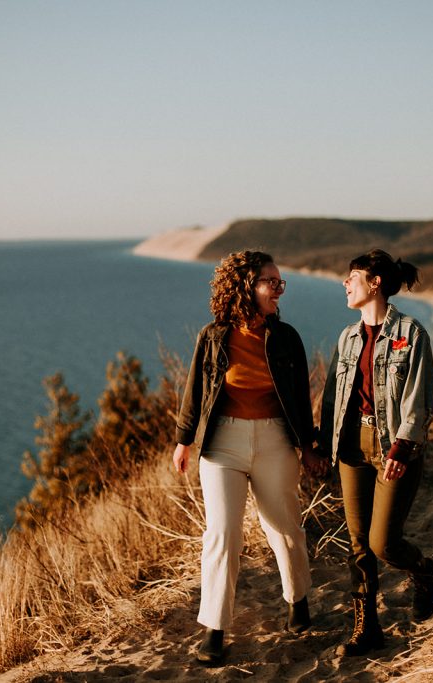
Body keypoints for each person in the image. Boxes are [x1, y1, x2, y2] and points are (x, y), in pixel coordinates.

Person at [172, 250, 328, 666]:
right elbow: (194, 390)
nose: (279, 289)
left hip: (275, 438)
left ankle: (297, 599)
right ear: (246, 286)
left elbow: (301, 397)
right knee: (222, 534)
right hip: (222, 443)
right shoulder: (213, 336)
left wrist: (308, 446)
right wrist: (183, 440)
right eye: (270, 282)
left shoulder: (287, 337)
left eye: (280, 282)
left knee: (284, 527)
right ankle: (215, 629)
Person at [316, 249, 433, 657]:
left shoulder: (411, 333)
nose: (345, 284)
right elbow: (333, 397)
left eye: (352, 276)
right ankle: (367, 627)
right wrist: (323, 444)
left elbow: (420, 400)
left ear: (375, 283)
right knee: (358, 544)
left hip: (392, 448)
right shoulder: (347, 337)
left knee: (383, 542)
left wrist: (403, 446)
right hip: (352, 447)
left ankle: (423, 571)